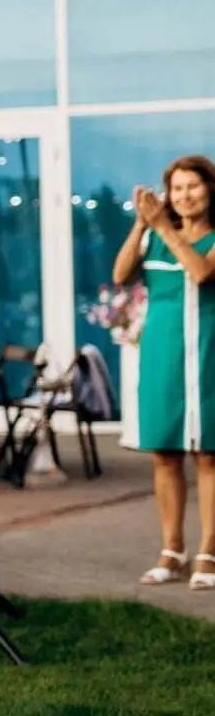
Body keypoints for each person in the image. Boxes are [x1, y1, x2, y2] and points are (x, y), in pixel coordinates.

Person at [116, 156, 215, 589]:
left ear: (210, 190)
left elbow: (200, 271)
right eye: (176, 189)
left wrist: (164, 228)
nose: (184, 196)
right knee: (164, 452)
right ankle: (171, 550)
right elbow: (120, 275)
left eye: (192, 187)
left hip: (209, 351)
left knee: (209, 453)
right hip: (163, 353)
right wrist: (141, 225)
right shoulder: (152, 236)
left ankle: (209, 551)